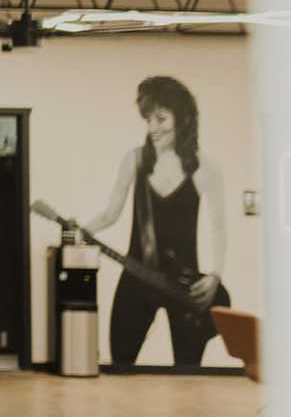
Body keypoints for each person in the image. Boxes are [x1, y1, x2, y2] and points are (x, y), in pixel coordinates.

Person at [76, 76, 228, 366]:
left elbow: (219, 225)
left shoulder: (205, 167)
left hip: (185, 282)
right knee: (121, 358)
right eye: (148, 119)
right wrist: (83, 230)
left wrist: (215, 275)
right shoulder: (135, 160)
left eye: (161, 118)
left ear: (182, 119)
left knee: (188, 367)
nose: (153, 128)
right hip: (137, 273)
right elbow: (111, 213)